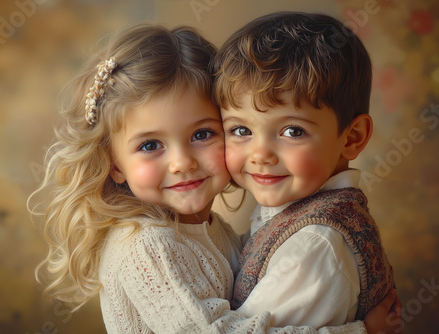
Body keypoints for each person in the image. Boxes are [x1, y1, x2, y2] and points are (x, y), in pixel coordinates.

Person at [29, 22, 400, 333]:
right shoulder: (146, 247)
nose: (182, 163)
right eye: (150, 145)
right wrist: (360, 330)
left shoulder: (212, 229)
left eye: (202, 134)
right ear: (115, 164)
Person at [215, 11, 397, 329]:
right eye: (241, 130)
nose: (260, 155)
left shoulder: (314, 246)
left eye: (292, 132)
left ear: (351, 138)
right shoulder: (294, 207)